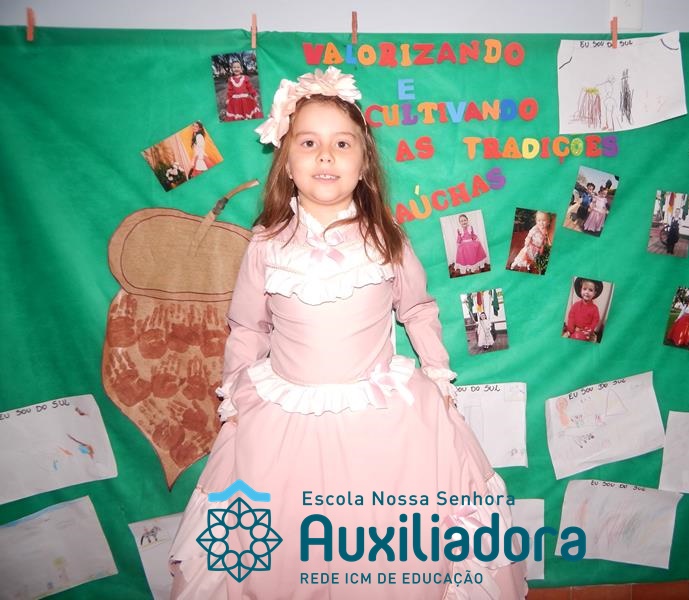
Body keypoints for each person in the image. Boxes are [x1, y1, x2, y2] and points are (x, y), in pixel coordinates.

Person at [168, 67, 526, 600]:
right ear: (287, 161)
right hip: (285, 419)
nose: (326, 156)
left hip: (383, 419)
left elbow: (418, 308)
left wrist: (437, 373)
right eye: (308, 143)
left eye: (342, 144)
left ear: (363, 163)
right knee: (283, 544)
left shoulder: (387, 238)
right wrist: (235, 390)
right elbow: (247, 325)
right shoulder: (265, 245)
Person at [564, 278, 601, 342]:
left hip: (586, 332)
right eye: (584, 289)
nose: (587, 292)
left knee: (578, 337)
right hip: (574, 329)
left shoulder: (595, 308)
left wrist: (589, 330)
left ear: (594, 293)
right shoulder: (575, 305)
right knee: (570, 335)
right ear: (581, 290)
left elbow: (595, 321)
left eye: (590, 290)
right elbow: (571, 317)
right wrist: (571, 329)